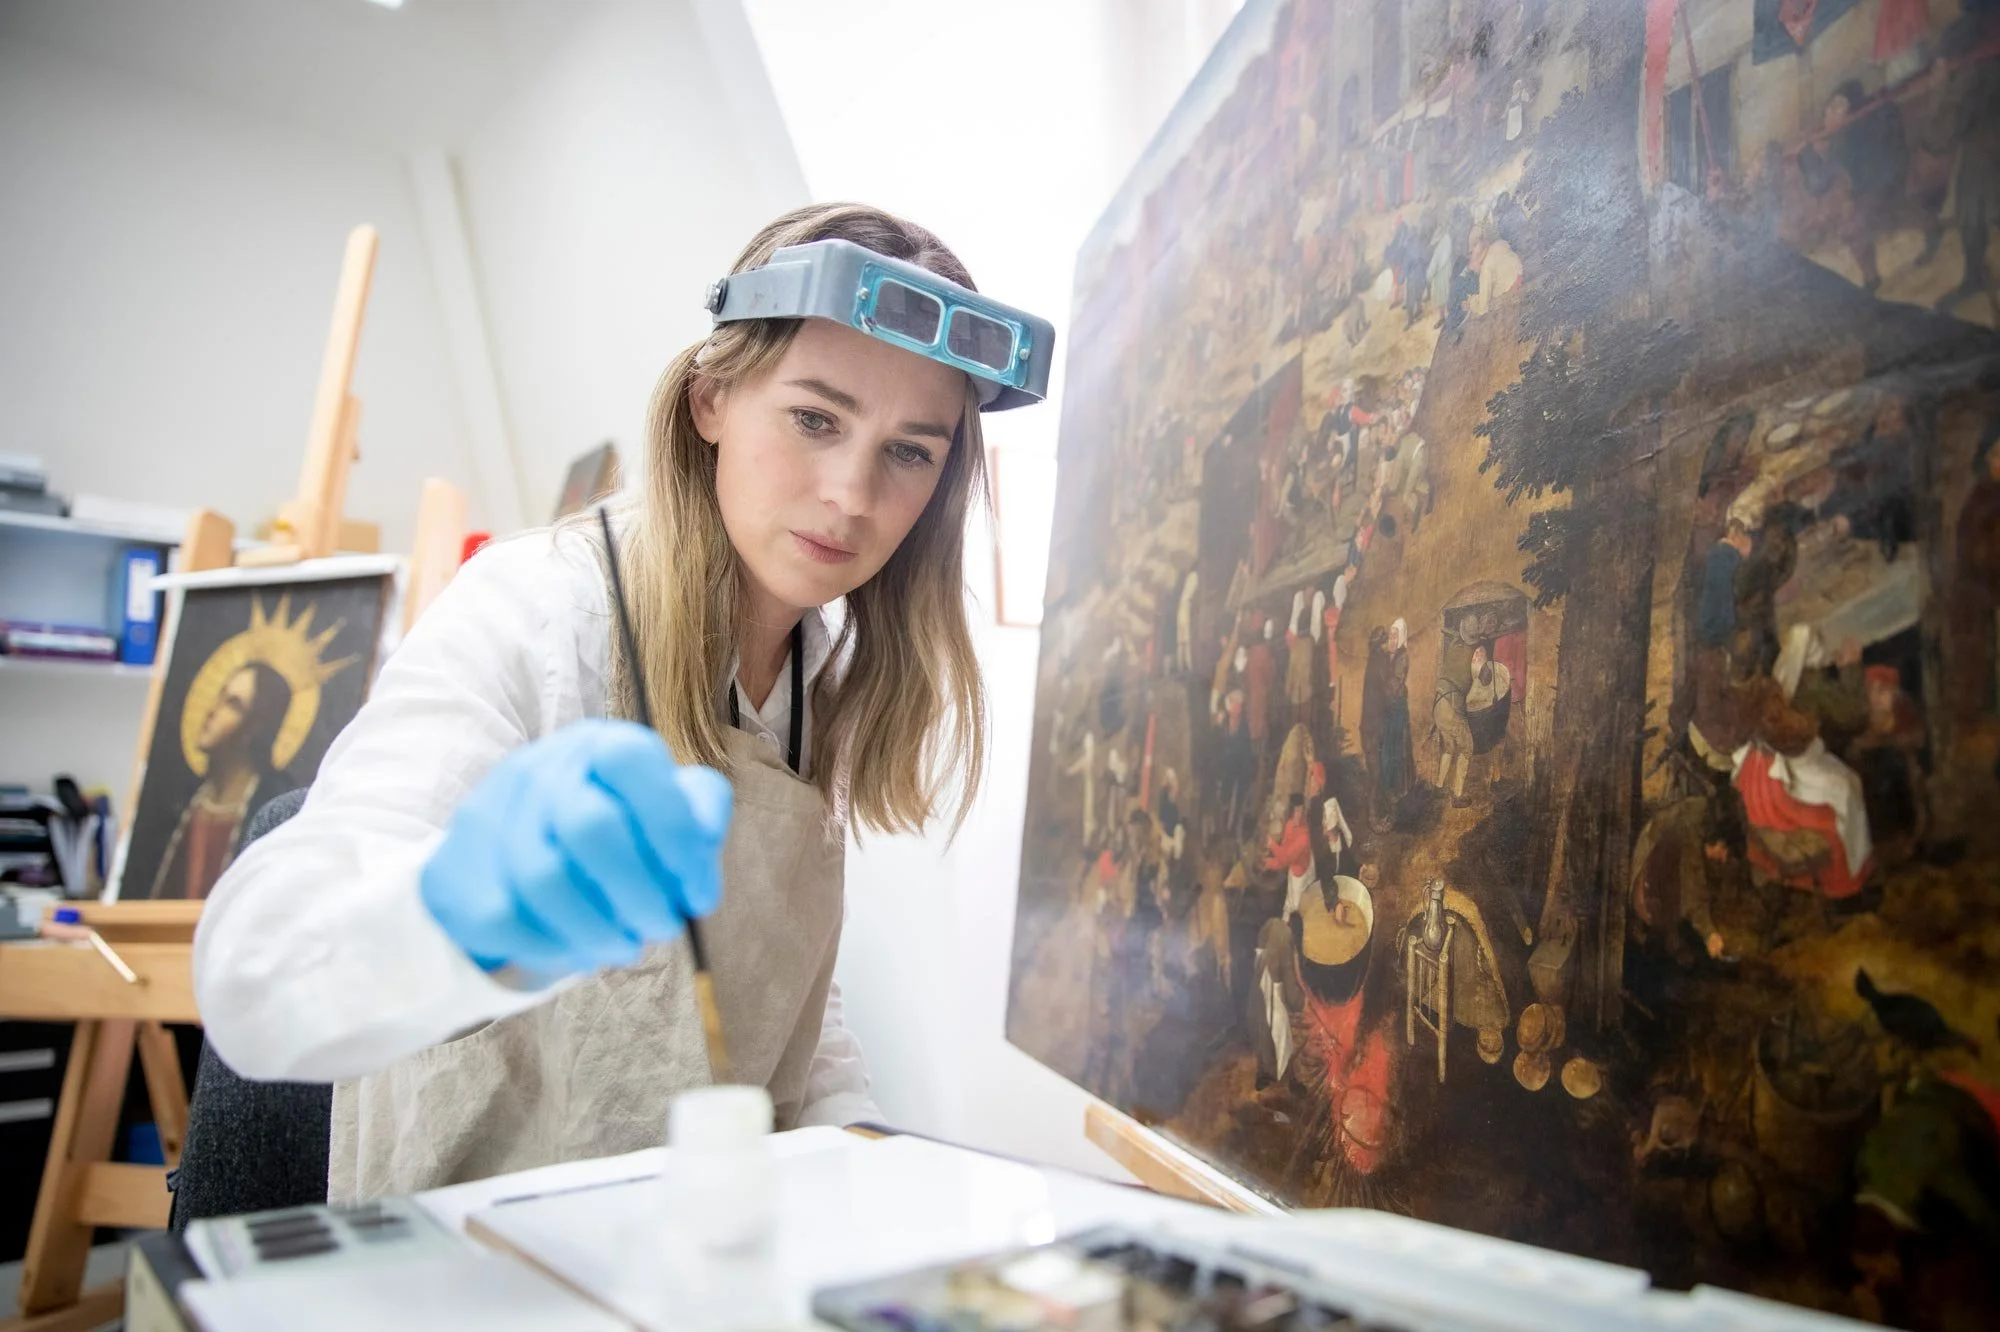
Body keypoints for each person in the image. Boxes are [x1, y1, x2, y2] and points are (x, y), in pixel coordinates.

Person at [193, 204, 1053, 1201]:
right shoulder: (534, 612)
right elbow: (254, 977)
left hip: (670, 1257)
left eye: (909, 451)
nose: (851, 495)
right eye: (814, 419)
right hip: (467, 1260)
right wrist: (457, 911)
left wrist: (874, 1180)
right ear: (709, 402)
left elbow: (789, 1026)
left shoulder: (819, 686)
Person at [152, 661, 297, 901]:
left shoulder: (272, 809)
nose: (212, 710)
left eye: (233, 704)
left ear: (255, 726)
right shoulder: (185, 801)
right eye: (220, 695)